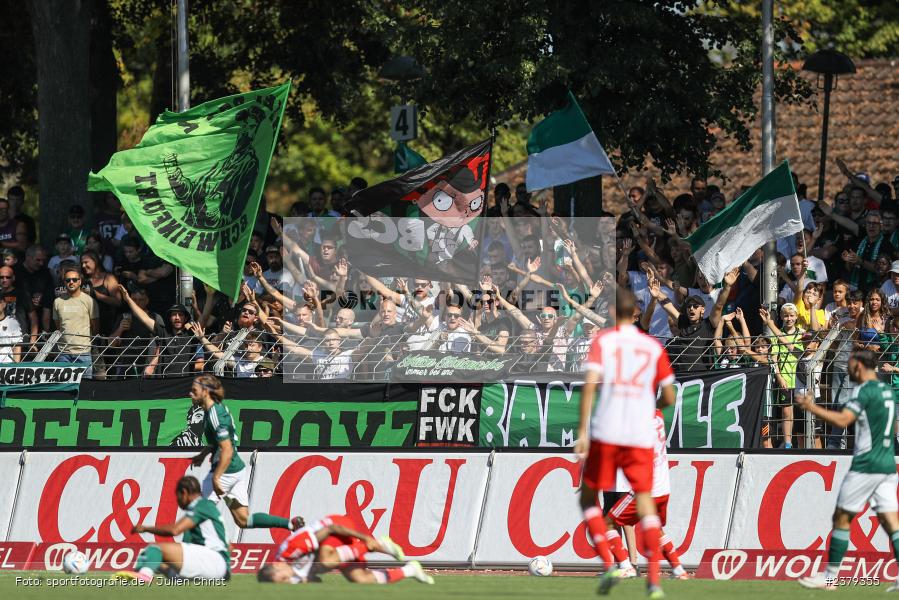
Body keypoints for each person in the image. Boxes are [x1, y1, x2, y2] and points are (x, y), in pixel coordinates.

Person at [576, 287, 676, 598]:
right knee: (644, 504)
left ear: (611, 313)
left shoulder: (603, 342)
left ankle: (614, 563)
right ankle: (654, 582)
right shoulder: (652, 347)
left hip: (608, 431)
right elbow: (670, 396)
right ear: (635, 312)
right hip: (639, 437)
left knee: (588, 499)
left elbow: (590, 387)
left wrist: (582, 430)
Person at [797, 350, 899, 591]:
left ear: (861, 366)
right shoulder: (887, 390)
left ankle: (829, 577)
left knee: (842, 518)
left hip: (866, 465)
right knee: (892, 523)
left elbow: (843, 420)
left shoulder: (864, 391)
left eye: (852, 365)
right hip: (887, 464)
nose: (849, 370)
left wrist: (812, 408)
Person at [188, 375, 304, 531]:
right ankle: (290, 524)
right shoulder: (214, 409)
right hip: (236, 469)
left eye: (194, 390)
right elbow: (220, 441)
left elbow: (227, 449)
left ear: (206, 392)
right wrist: (203, 455)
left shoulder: (216, 414)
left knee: (198, 513)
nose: (190, 393)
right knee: (243, 520)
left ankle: (207, 551)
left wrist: (216, 477)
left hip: (225, 471)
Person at [603, 410, 690, 580]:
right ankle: (679, 570)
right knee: (656, 527)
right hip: (663, 487)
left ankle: (627, 566)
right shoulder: (658, 415)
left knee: (608, 521)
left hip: (646, 489)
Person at [257, 513, 433, 585]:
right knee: (360, 579)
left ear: (278, 566)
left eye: (284, 578)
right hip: (335, 548)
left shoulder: (292, 549)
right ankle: (410, 570)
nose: (288, 581)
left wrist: (366, 539)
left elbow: (330, 529)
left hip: (336, 526)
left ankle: (378, 544)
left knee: (325, 560)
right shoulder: (288, 576)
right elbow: (315, 580)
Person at [113, 476, 229, 583]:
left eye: (177, 495)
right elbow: (227, 545)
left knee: (155, 549)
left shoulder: (200, 505)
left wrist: (145, 528)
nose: (177, 500)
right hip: (215, 565)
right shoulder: (206, 508)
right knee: (153, 560)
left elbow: (175, 530)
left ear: (184, 493)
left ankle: (144, 576)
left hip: (214, 562)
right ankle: (147, 574)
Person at [52, 266, 98, 376]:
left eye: (74, 280)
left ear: (80, 281)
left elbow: (95, 326)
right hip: (63, 353)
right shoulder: (57, 302)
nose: (71, 282)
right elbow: (58, 327)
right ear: (64, 282)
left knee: (86, 387)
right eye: (68, 280)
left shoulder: (89, 301)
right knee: (63, 388)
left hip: (84, 352)